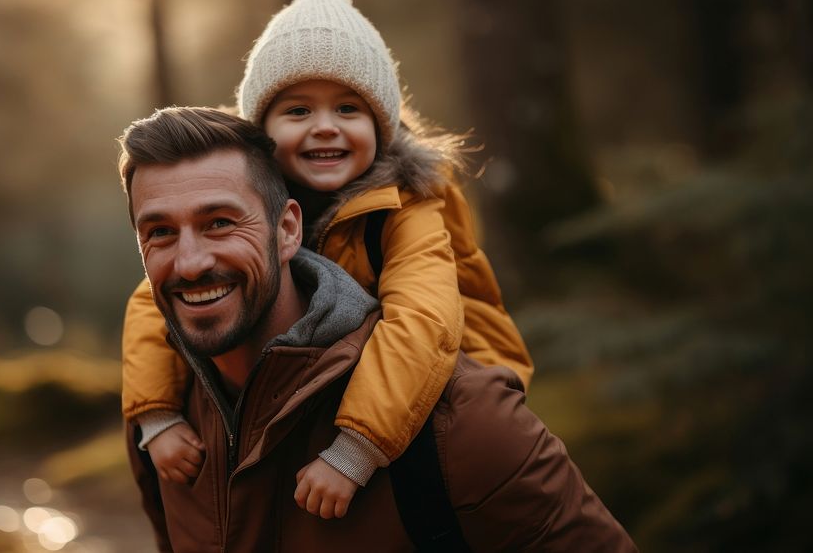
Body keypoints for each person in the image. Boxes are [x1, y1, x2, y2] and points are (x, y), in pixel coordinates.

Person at [117, 106, 636, 552]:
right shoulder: (164, 417)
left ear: (288, 229)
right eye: (160, 232)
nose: (188, 263)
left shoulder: (464, 423)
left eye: (221, 223)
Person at [123, 0, 534, 518]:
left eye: (348, 108)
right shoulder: (252, 206)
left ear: (380, 126)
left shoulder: (407, 208)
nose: (324, 126)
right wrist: (156, 417)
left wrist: (355, 448)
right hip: (354, 380)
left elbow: (422, 322)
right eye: (298, 110)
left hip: (454, 383)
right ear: (263, 133)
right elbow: (150, 301)